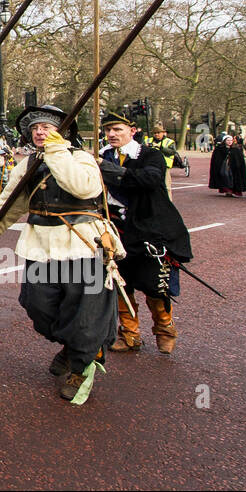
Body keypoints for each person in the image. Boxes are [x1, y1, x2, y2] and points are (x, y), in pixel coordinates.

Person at [0, 104, 123, 406]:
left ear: (63, 132)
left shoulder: (81, 158)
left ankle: (82, 365)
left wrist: (57, 153)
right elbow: (12, 200)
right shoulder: (29, 162)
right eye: (35, 128)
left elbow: (82, 187)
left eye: (47, 127)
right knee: (37, 305)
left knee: (85, 313)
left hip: (82, 244)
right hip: (40, 244)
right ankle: (73, 346)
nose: (40, 131)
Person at [98, 111, 192, 354]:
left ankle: (164, 328)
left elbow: (148, 180)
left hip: (150, 230)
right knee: (120, 284)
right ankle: (130, 334)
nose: (111, 134)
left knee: (154, 287)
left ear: (132, 130)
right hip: (117, 230)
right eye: (108, 130)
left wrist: (107, 169)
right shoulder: (104, 156)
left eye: (117, 129)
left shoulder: (151, 155)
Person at [146, 122, 178, 195]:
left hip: (165, 166)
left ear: (163, 133)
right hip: (150, 166)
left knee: (167, 187)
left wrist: (161, 148)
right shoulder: (148, 141)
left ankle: (168, 203)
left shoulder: (169, 142)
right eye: (155, 133)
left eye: (158, 132)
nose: (156, 134)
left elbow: (172, 151)